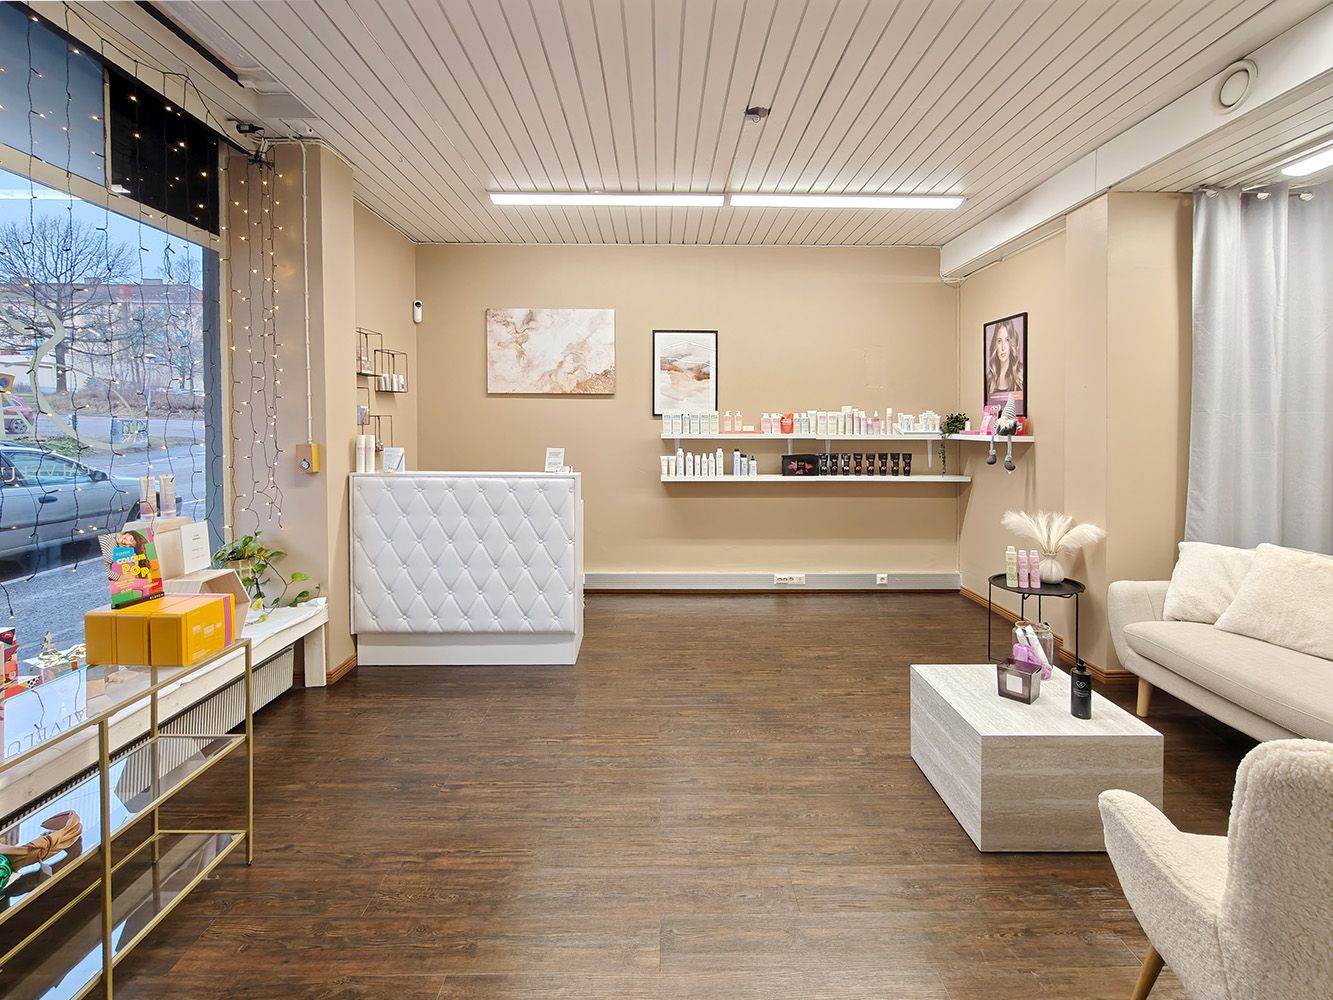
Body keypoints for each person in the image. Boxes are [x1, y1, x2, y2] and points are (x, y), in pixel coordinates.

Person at [986, 319, 1025, 404]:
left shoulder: (1021, 374)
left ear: (1011, 344)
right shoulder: (990, 378)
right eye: (999, 341)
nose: (1003, 347)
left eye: (1007, 340)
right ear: (995, 344)